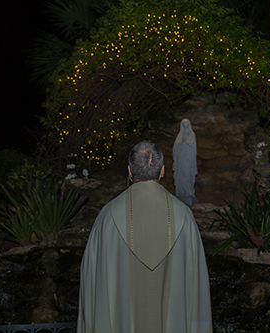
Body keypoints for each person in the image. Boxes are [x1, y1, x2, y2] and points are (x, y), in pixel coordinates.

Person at [77, 141, 213, 333]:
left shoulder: (108, 216)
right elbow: (196, 284)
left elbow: (92, 277)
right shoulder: (184, 216)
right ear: (163, 171)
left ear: (130, 172)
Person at [173, 118, 199, 205]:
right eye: (183, 124)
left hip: (188, 160)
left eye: (186, 123)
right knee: (181, 175)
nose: (185, 125)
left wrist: (186, 142)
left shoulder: (192, 135)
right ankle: (181, 193)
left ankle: (188, 192)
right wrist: (181, 142)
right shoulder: (179, 135)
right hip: (181, 160)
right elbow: (175, 147)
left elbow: (192, 145)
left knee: (187, 175)